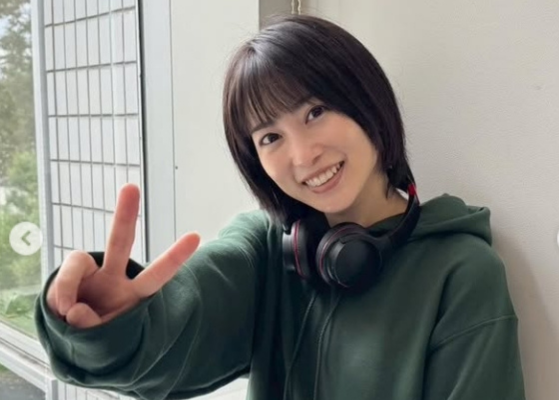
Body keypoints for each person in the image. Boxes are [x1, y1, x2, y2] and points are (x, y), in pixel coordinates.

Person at [35, 14, 527, 400]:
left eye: (315, 112)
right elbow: (178, 328)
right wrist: (112, 329)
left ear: (367, 101)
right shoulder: (267, 250)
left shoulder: (461, 274)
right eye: (270, 137)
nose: (303, 155)